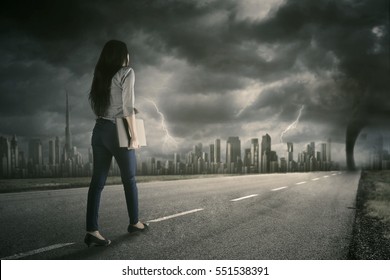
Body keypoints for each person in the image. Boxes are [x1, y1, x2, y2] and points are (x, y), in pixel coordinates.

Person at [84, 40, 148, 247]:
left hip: (99, 130)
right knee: (129, 179)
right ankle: (134, 222)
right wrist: (134, 136)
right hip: (117, 130)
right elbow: (127, 107)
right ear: (124, 56)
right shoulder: (127, 72)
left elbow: (103, 105)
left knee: (97, 183)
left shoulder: (100, 75)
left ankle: (92, 230)